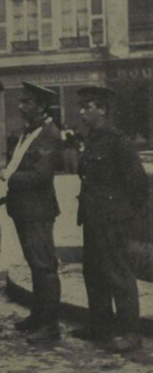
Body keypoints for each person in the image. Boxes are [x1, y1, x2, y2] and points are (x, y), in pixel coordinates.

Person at [72, 86, 149, 353]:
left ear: (103, 108)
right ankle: (100, 325)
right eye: (80, 106)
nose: (81, 112)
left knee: (119, 276)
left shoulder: (119, 141)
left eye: (87, 106)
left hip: (114, 221)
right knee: (94, 274)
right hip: (93, 219)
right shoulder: (92, 139)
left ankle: (131, 333)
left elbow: (139, 185)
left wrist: (126, 217)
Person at [0, 82, 63, 344]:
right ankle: (38, 317)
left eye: (27, 102)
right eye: (21, 101)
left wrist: (10, 178)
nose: (20, 106)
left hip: (37, 211)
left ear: (41, 106)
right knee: (36, 265)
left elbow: (41, 175)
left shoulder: (49, 135)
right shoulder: (29, 133)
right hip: (24, 210)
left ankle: (50, 326)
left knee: (44, 266)